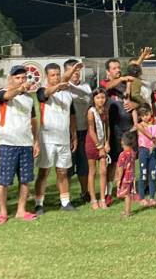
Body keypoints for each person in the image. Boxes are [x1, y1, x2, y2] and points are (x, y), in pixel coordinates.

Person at [34, 62, 82, 215]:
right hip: (47, 138)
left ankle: (65, 202)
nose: (55, 77)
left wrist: (73, 134)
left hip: (64, 138)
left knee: (63, 171)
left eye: (57, 74)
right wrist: (61, 83)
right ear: (46, 76)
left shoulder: (67, 93)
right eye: (52, 75)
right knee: (44, 171)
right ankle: (39, 204)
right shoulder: (42, 91)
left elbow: (72, 115)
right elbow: (46, 94)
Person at [0, 65, 40, 224]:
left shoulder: (29, 98)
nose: (21, 80)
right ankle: (3, 212)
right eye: (17, 77)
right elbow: (8, 95)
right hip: (8, 143)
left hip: (26, 143)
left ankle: (21, 210)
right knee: (3, 181)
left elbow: (33, 121)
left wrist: (36, 141)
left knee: (25, 179)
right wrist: (20, 89)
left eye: (23, 77)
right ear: (10, 79)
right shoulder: (2, 93)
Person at [101, 58, 136, 205]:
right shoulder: (105, 84)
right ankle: (108, 193)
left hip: (128, 128)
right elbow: (108, 86)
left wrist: (135, 104)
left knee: (130, 161)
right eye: (114, 68)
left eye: (118, 67)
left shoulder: (125, 85)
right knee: (114, 163)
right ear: (108, 72)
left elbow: (136, 101)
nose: (118, 70)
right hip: (114, 130)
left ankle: (129, 190)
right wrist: (121, 78)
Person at [64, 58, 93, 203]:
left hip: (85, 130)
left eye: (77, 70)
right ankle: (65, 197)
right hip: (68, 132)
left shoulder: (87, 87)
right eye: (72, 70)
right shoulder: (63, 86)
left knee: (84, 164)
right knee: (67, 166)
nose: (76, 73)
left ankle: (84, 192)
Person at [85, 88, 110, 209]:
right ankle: (93, 199)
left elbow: (107, 128)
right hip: (92, 143)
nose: (101, 100)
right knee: (92, 171)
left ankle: (102, 198)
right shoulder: (91, 111)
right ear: (93, 99)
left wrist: (107, 142)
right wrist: (99, 146)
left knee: (104, 171)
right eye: (98, 98)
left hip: (102, 142)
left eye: (103, 97)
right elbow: (91, 130)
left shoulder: (105, 111)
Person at [136, 104, 156, 207]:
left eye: (147, 114)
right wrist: (153, 136)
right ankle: (141, 198)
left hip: (153, 152)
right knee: (143, 174)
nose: (146, 117)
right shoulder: (139, 125)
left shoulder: (155, 126)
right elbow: (146, 133)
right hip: (143, 151)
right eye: (143, 115)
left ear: (151, 113)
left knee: (153, 175)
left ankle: (152, 197)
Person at [114, 132, 137, 218]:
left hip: (125, 177)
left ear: (122, 142)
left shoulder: (122, 154)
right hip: (131, 176)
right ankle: (127, 210)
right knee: (128, 194)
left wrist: (118, 179)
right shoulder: (133, 152)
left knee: (126, 195)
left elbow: (120, 168)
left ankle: (127, 212)